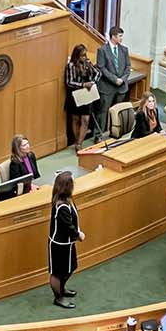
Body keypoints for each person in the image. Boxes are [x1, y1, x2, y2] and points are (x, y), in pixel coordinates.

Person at [47, 170, 83, 309]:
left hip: (67, 243)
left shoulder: (68, 199)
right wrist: (78, 235)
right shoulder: (61, 205)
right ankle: (58, 297)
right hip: (59, 245)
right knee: (57, 272)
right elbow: (67, 226)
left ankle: (61, 288)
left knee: (70, 267)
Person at [95, 26, 131, 135]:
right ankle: (99, 135)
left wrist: (122, 79)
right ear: (113, 37)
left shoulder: (124, 50)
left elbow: (128, 67)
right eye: (120, 36)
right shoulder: (102, 50)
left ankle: (115, 133)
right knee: (103, 112)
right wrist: (115, 79)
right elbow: (101, 68)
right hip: (107, 87)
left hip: (121, 87)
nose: (121, 38)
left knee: (118, 112)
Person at [64, 44, 101, 146]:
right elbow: (69, 82)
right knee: (76, 119)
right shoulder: (71, 66)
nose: (84, 57)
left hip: (86, 95)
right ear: (77, 55)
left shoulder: (87, 63)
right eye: (82, 55)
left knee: (85, 120)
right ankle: (76, 141)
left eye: (85, 55)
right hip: (75, 95)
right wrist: (83, 85)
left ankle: (79, 143)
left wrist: (93, 82)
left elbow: (98, 73)